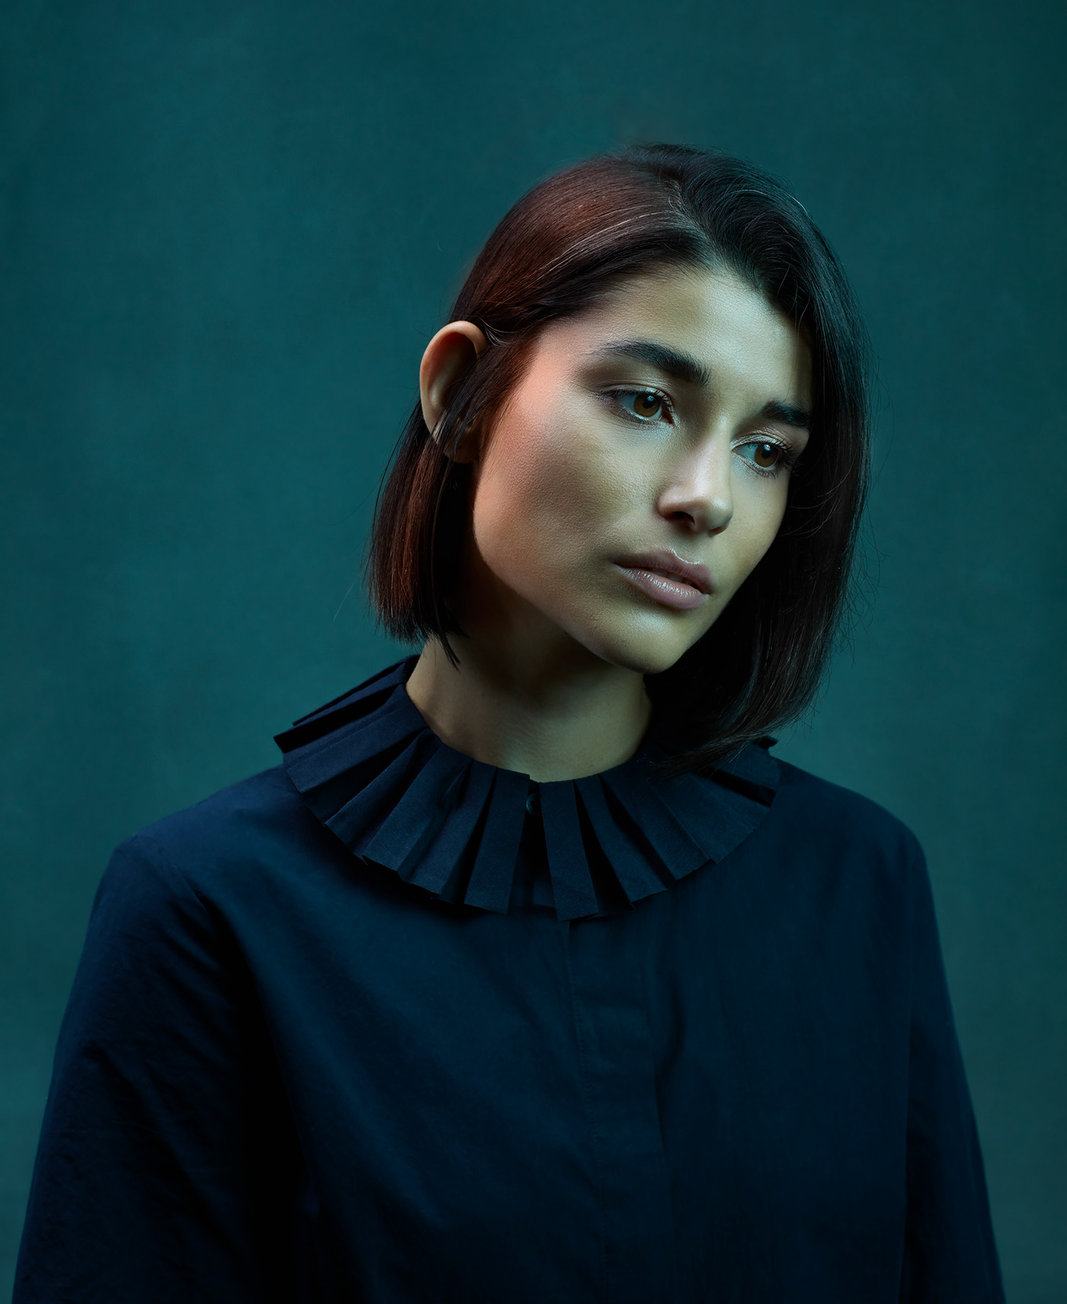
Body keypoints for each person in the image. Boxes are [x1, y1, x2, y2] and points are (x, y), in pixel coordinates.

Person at [13, 144, 1005, 1301]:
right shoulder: (208, 911)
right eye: (645, 401)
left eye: (764, 450)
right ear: (458, 395)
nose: (707, 497)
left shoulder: (859, 885)